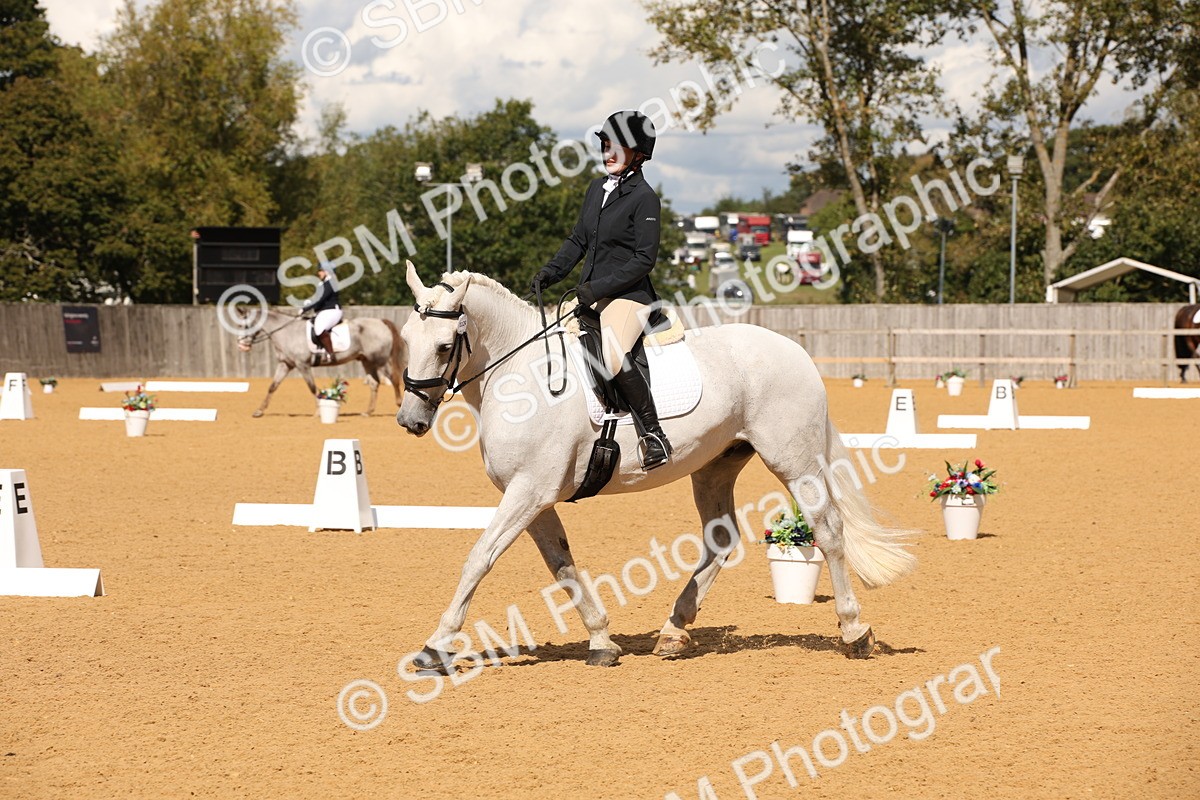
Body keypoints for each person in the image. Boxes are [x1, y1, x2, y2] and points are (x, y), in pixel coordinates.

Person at [530, 110, 672, 471]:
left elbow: (644, 259)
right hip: (592, 294)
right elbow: (578, 240)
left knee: (613, 354)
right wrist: (551, 272)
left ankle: (653, 435)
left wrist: (596, 288)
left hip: (629, 297)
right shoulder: (597, 189)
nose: (608, 154)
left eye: (617, 148)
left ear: (638, 155)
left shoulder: (645, 198)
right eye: (606, 146)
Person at [303, 266, 342, 366]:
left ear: (327, 272)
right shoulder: (323, 284)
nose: (319, 273)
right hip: (324, 311)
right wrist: (308, 305)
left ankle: (331, 354)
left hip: (332, 310)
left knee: (319, 328)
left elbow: (320, 299)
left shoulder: (331, 283)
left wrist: (305, 309)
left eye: (321, 271)